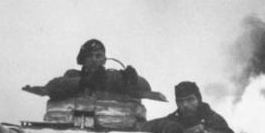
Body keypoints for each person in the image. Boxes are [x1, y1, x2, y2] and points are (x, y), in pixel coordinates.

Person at [22, 39, 166, 102]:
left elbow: (145, 87)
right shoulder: (73, 75)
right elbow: (53, 87)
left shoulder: (113, 77)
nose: (94, 59)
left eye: (98, 56)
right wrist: (85, 82)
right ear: (83, 60)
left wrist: (133, 79)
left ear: (104, 59)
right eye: (90, 56)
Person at [145, 80, 238, 133]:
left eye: (190, 100)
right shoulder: (173, 120)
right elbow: (151, 126)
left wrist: (204, 132)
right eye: (180, 101)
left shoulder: (211, 118)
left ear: (198, 100)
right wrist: (167, 128)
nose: (185, 105)